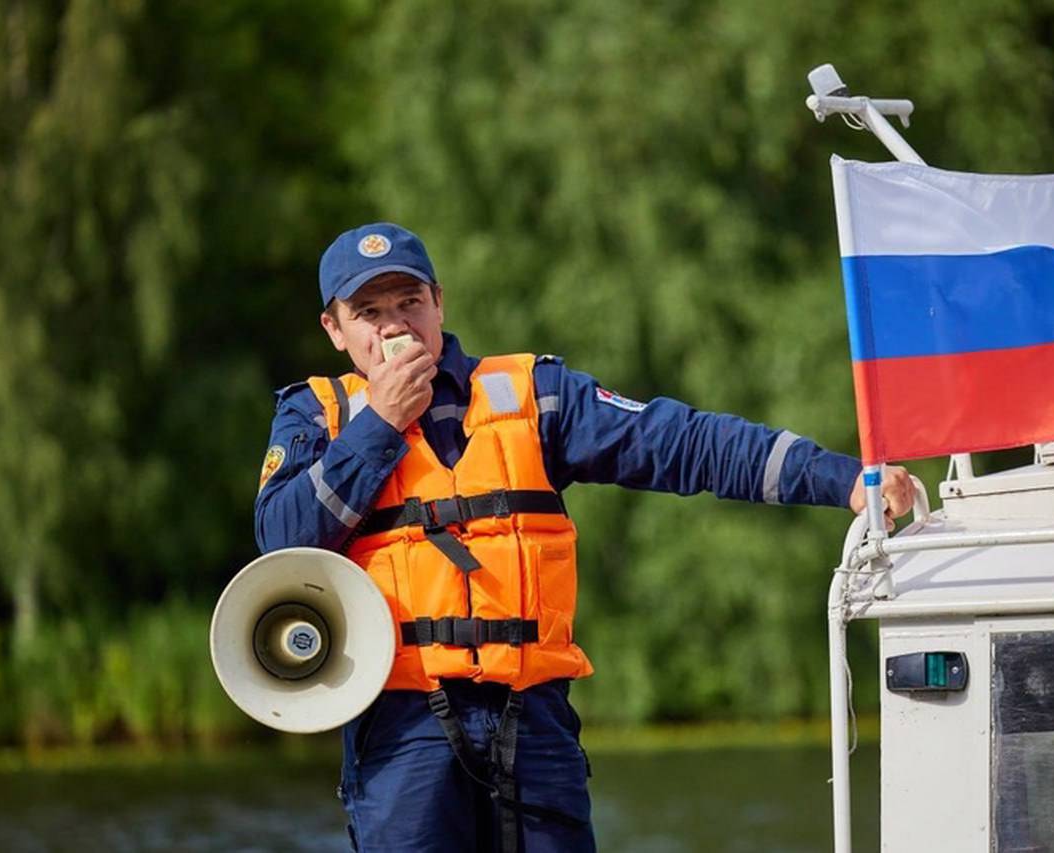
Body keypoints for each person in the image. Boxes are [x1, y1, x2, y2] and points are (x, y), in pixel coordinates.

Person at [254, 222, 914, 852]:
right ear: (335, 329)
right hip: (402, 730)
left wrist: (842, 479)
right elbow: (281, 540)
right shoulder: (317, 413)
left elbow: (682, 442)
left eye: (409, 300)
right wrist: (382, 425)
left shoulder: (537, 395)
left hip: (530, 717)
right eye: (369, 312)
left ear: (439, 303)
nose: (395, 323)